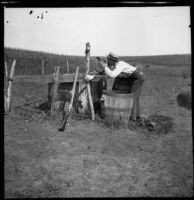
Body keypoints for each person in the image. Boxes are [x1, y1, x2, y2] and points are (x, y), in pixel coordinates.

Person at [98, 52, 145, 121]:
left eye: (108, 59)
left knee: (132, 97)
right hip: (132, 78)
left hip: (137, 79)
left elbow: (112, 75)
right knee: (134, 97)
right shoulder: (116, 65)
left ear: (112, 60)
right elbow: (110, 73)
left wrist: (105, 67)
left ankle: (133, 118)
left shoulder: (120, 65)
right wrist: (102, 70)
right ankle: (137, 116)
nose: (107, 61)